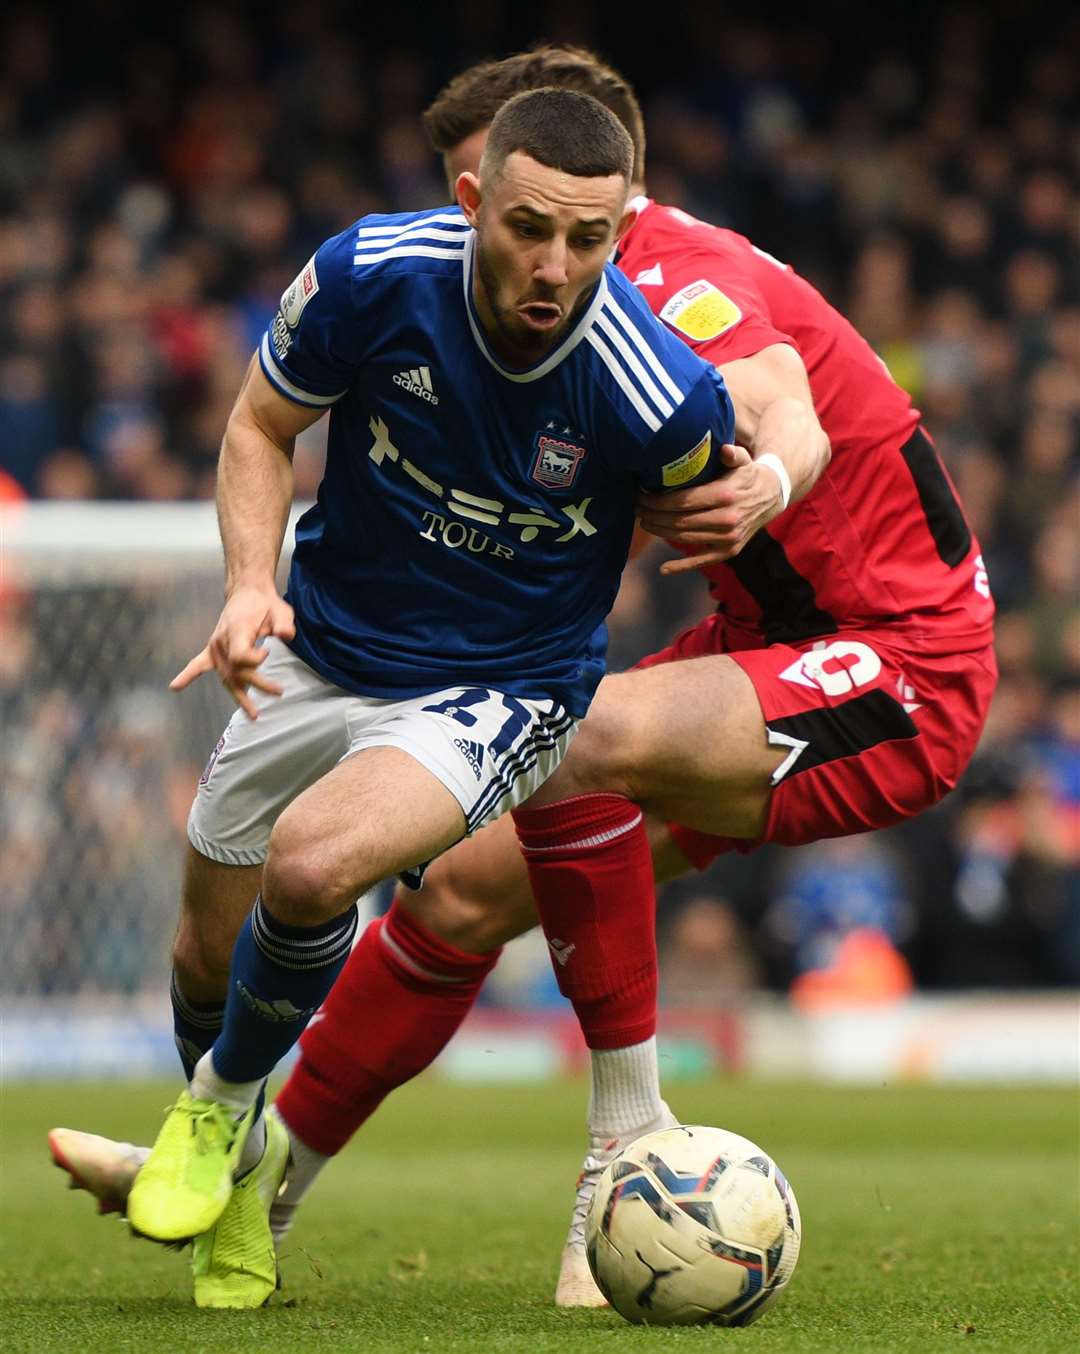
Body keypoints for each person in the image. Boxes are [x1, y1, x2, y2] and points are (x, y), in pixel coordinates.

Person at [51, 46, 996, 1310]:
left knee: (573, 736)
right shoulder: (461, 281)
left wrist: (766, 481)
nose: (526, 245)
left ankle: (625, 1143)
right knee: (451, 901)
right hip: (760, 641)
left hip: (901, 661)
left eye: (562, 216)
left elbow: (781, 403)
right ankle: (253, 1186)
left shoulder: (674, 281)